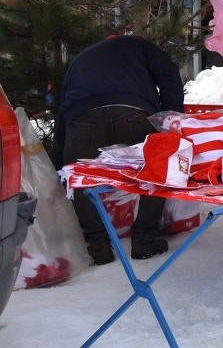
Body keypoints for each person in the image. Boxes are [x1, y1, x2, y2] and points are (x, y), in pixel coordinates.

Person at [55, 35, 185, 265]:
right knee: (157, 168)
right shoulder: (140, 45)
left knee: (78, 176)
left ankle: (98, 245)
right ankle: (144, 238)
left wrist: (61, 164)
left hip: (82, 116)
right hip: (132, 111)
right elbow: (169, 74)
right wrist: (170, 118)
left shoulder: (80, 59)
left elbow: (62, 112)